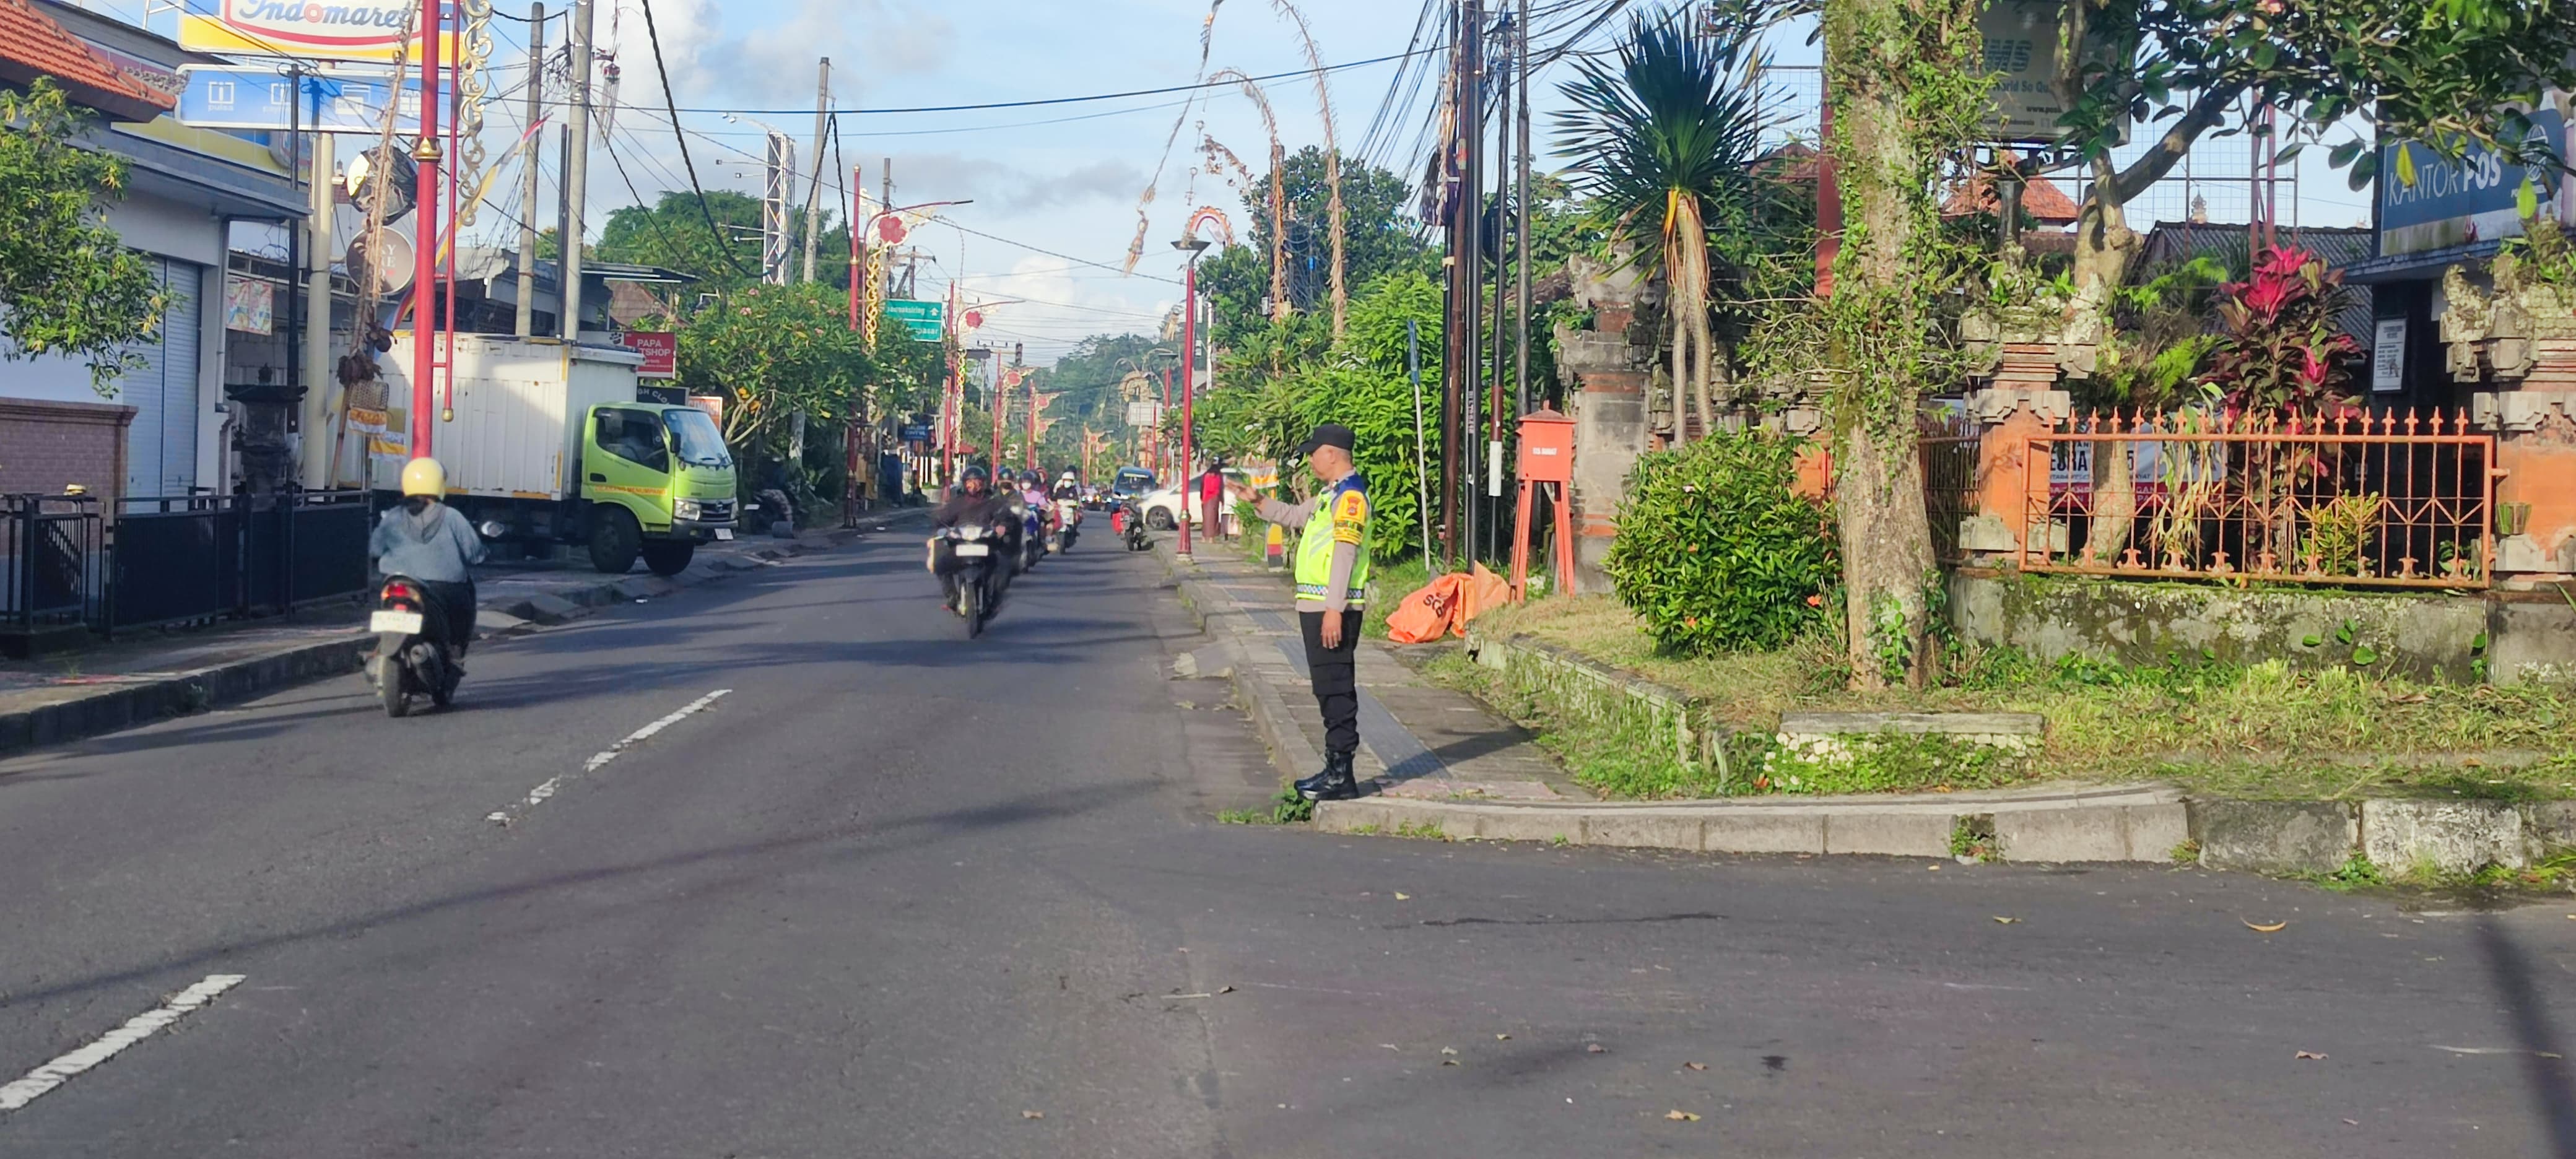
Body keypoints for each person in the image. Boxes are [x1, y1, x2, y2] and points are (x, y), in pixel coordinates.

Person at [1231, 423, 1370, 801]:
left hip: (1332, 609)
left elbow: (1345, 554)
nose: (1310, 460)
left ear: (1332, 454)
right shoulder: (1330, 495)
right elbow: (1294, 516)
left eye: (1314, 453)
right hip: (1317, 605)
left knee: (1336, 687)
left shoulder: (1351, 498)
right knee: (1326, 687)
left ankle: (1342, 775)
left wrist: (1334, 610)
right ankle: (1333, 768)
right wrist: (1257, 500)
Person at [368, 456, 488, 662]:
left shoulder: (393, 517)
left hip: (396, 583)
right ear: (439, 484)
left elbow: (375, 549)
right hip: (443, 588)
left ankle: (380, 650)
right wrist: (482, 553)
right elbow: (474, 554)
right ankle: (455, 648)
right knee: (463, 608)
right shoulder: (452, 516)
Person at [931, 465, 1008, 611]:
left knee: (1000, 564)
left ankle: (993, 598)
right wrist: (942, 528)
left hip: (985, 543)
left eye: (977, 481)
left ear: (983, 483)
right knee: (941, 565)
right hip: (960, 543)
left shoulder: (992, 502)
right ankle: (952, 596)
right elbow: (942, 520)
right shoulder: (957, 503)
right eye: (969, 482)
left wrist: (1002, 526)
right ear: (964, 484)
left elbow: (1004, 516)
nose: (973, 485)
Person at [1198, 458, 1227, 541]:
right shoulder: (1219, 476)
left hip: (1206, 498)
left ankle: (1204, 537)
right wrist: (1222, 501)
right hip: (1215, 498)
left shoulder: (1205, 475)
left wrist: (1202, 498)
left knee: (1205, 519)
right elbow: (1220, 489)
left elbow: (1202, 487)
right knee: (1214, 518)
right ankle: (1211, 538)